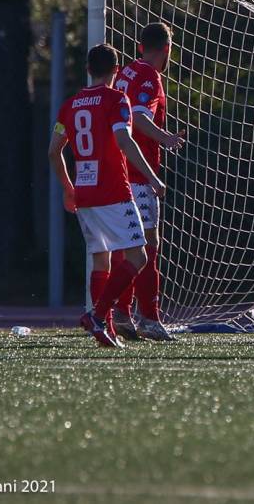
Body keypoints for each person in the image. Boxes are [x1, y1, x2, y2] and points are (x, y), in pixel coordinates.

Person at [48, 43, 165, 348]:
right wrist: (152, 178)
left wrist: (67, 187)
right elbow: (124, 141)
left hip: (84, 193)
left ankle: (105, 330)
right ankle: (98, 314)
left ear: (88, 69)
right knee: (138, 256)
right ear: (116, 71)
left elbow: (53, 151)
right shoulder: (117, 99)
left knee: (102, 261)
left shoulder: (70, 105)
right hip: (113, 191)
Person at [109, 22, 185, 342]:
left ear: (141, 46)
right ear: (167, 49)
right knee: (148, 246)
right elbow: (139, 117)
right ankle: (149, 318)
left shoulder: (126, 71)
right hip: (139, 174)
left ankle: (122, 313)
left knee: (125, 246)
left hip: (118, 172)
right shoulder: (150, 76)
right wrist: (165, 137)